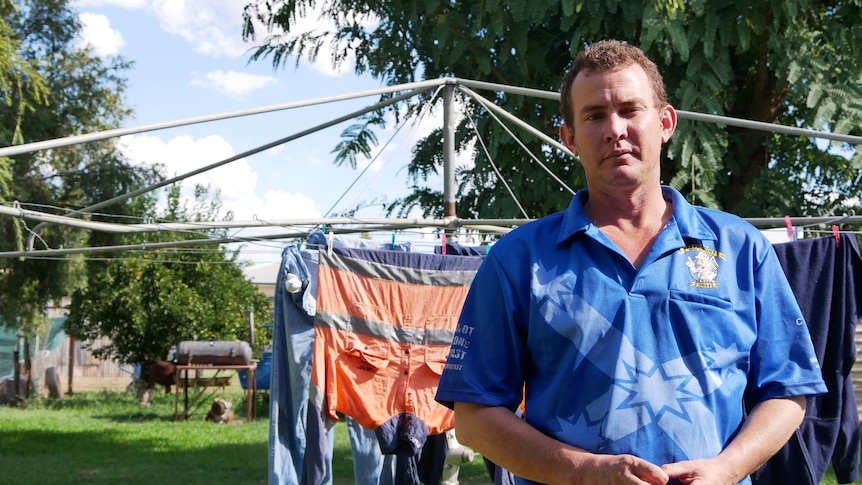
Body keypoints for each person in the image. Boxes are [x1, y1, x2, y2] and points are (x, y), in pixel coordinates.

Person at [434, 39, 827, 485]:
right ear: (569, 138)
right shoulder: (517, 259)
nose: (614, 129)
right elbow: (474, 415)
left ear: (665, 122)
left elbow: (788, 393)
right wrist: (584, 472)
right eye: (594, 115)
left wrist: (727, 469)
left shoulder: (741, 249)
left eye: (629, 110)